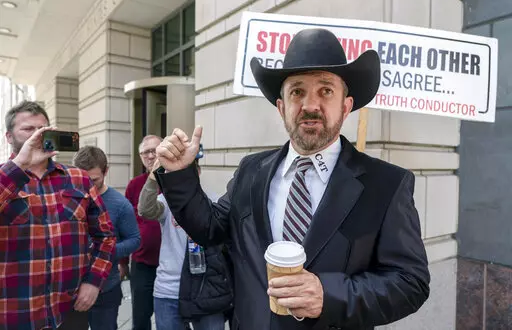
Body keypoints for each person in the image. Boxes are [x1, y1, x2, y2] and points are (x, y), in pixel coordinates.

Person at [153, 28, 430, 330]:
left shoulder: (385, 184)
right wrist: (180, 173)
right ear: (282, 107)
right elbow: (210, 228)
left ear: (346, 106)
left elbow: (409, 282)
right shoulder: (251, 170)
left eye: (325, 90)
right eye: (297, 92)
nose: (310, 105)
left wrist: (329, 295)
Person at [0, 101, 116, 330]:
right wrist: (20, 165)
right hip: (16, 314)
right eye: (28, 129)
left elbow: (106, 236)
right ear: (9, 137)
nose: (37, 135)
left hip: (69, 311)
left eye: (42, 129)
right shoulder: (4, 178)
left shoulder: (78, 178)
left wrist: (94, 281)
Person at [137, 145, 232, 330]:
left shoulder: (213, 201)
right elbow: (145, 209)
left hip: (205, 290)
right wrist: (153, 178)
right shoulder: (166, 201)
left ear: (198, 171)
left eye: (188, 170)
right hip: (169, 290)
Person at [72, 146, 141, 330]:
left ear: (106, 171)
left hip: (106, 288)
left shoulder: (120, 204)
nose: (89, 187)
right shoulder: (68, 198)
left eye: (94, 180)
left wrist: (105, 250)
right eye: (84, 180)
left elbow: (135, 240)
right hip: (70, 289)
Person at [121, 135, 163, 330]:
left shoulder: (177, 180)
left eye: (155, 150)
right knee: (140, 318)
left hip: (174, 265)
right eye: (146, 152)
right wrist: (122, 262)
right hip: (142, 264)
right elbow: (124, 226)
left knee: (174, 318)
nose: (151, 155)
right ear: (140, 157)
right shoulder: (134, 185)